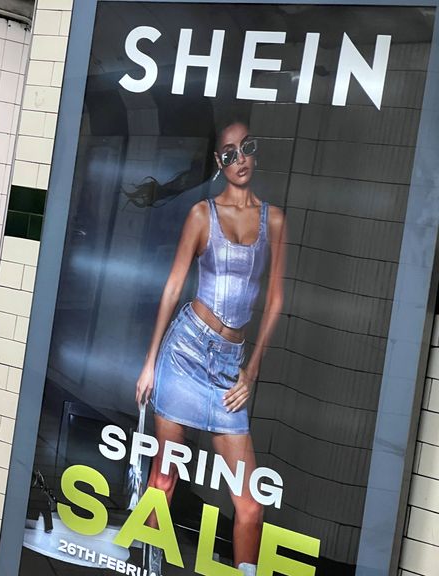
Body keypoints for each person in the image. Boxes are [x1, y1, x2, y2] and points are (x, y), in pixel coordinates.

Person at [135, 120, 286, 576]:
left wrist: (252, 368)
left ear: (256, 154)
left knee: (250, 506)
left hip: (229, 368)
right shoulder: (202, 214)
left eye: (246, 150)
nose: (239, 160)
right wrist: (149, 364)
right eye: (228, 153)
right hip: (184, 354)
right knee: (163, 479)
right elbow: (173, 285)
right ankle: (144, 567)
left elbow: (276, 297)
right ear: (218, 162)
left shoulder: (273, 219)